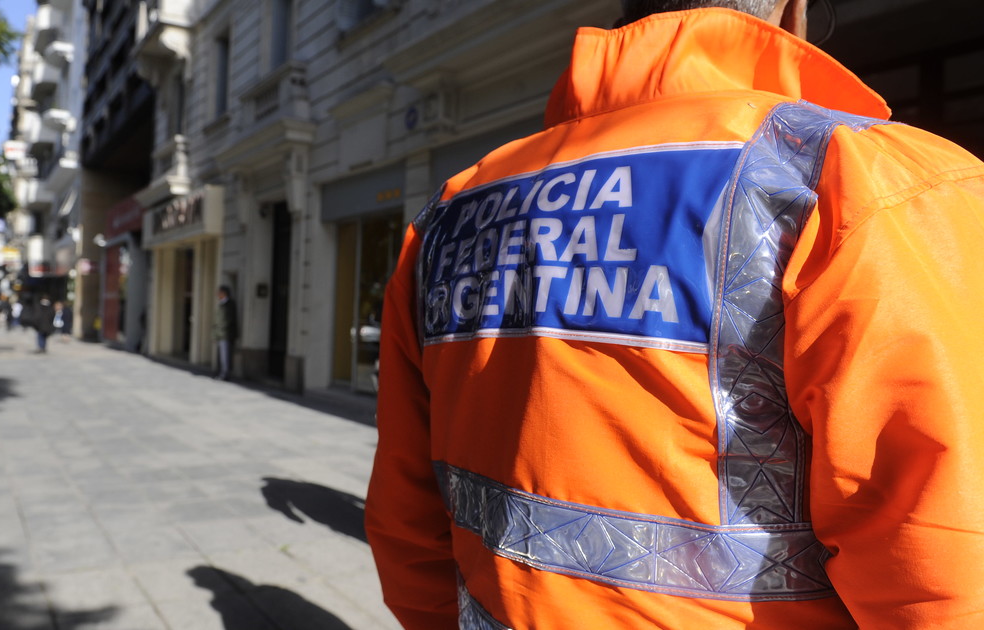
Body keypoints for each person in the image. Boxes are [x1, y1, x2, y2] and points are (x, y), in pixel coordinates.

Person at [364, 2, 984, 629]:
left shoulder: (452, 213)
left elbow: (406, 521)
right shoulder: (860, 183)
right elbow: (949, 568)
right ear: (792, 9)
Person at [213, 285, 238, 380]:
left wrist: (220, 331)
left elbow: (227, 320)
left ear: (224, 293)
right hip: (220, 334)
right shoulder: (221, 303)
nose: (217, 294)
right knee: (221, 355)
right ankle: (221, 372)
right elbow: (216, 321)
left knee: (226, 356)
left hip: (226, 334)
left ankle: (225, 374)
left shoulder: (230, 304)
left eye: (219, 292)